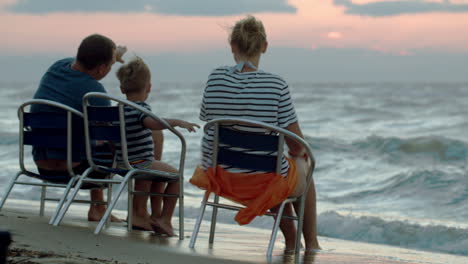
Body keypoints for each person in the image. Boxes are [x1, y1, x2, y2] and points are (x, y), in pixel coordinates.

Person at [190, 15, 320, 253]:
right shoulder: (276, 85)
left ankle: (292, 240)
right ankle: (311, 244)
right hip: (260, 181)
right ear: (265, 46)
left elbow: (210, 121)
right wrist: (298, 155)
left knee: (274, 170)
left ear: (233, 46)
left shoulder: (215, 77)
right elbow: (297, 146)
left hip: (219, 176)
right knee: (302, 165)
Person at [31, 33, 128, 222]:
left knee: (85, 136)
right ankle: (102, 208)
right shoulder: (95, 93)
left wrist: (113, 56)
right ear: (101, 69)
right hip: (79, 172)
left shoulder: (57, 67)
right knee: (107, 142)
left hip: (42, 166)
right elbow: (108, 137)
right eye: (109, 65)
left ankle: (98, 208)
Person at [115, 56, 199, 236]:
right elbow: (152, 123)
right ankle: (164, 219)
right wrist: (176, 122)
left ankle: (154, 216)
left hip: (120, 163)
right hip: (139, 163)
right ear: (149, 87)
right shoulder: (140, 108)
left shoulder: (119, 109)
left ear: (122, 88)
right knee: (176, 176)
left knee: (159, 172)